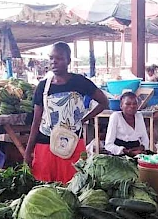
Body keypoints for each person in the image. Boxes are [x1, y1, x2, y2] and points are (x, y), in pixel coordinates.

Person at [25, 42, 109, 183]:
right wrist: (28, 152)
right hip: (45, 145)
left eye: (59, 58)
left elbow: (104, 102)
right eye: (51, 58)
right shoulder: (43, 86)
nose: (54, 62)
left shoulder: (80, 82)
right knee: (45, 188)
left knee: (73, 186)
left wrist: (85, 118)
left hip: (73, 144)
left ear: (68, 60)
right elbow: (36, 121)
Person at [104, 91, 149, 156]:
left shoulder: (139, 116)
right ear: (121, 106)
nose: (132, 106)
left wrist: (141, 148)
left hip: (137, 150)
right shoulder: (116, 116)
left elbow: (145, 139)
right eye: (128, 104)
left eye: (135, 103)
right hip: (120, 152)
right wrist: (127, 151)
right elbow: (108, 145)